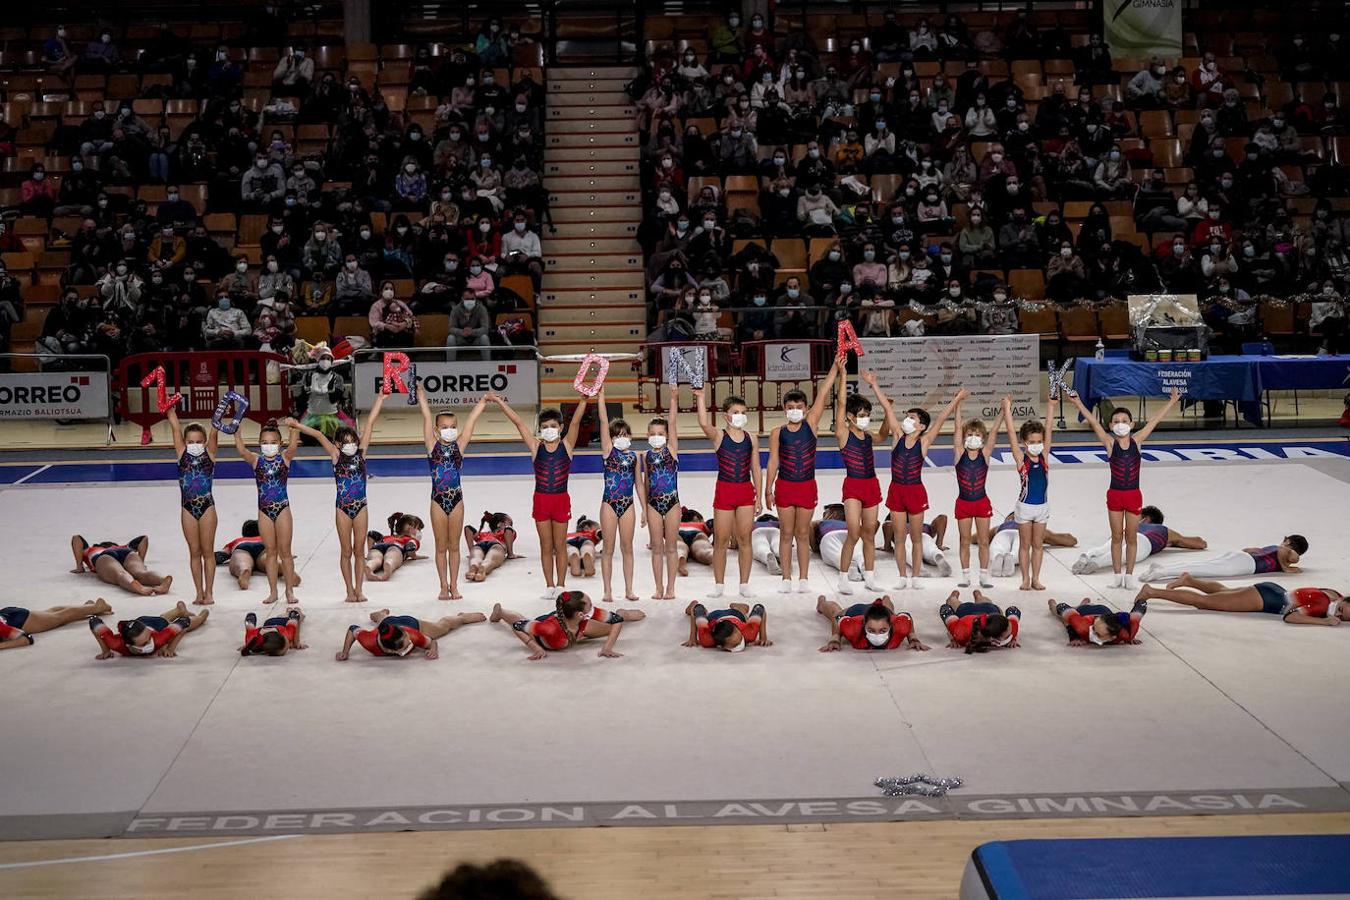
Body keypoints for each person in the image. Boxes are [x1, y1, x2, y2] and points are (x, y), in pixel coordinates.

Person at [1065, 388, 1181, 589]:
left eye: (1124, 421)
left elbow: (1154, 421)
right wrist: (1077, 403)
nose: (1120, 425)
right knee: (1117, 536)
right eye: (1116, 421)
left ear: (1132, 424)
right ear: (1110, 425)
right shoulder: (1110, 444)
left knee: (1131, 537)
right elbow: (1093, 422)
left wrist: (1171, 402)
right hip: (1115, 496)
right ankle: (1117, 575)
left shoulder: (1137, 441)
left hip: (1133, 496)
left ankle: (1129, 576)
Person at [283, 394, 385, 603]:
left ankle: (359, 589)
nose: (351, 445)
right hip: (342, 508)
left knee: (359, 551)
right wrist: (296, 425)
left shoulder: (361, 455)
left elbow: (371, 423)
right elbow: (319, 435)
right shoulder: (336, 456)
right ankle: (349, 590)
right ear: (338, 444)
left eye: (353, 441)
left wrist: (380, 398)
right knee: (346, 551)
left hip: (361, 507)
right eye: (346, 442)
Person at [871, 376, 964, 590]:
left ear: (921, 426)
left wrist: (956, 399)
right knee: (900, 537)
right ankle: (903, 577)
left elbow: (941, 418)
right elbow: (887, 407)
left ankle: (916, 577)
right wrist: (875, 384)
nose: (907, 420)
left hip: (915, 491)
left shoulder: (924, 441)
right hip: (896, 491)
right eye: (907, 416)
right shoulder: (897, 436)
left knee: (916, 537)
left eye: (912, 418)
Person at [491, 394, 588, 598]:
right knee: (546, 546)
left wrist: (583, 400)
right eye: (544, 427)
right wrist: (500, 402)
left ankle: (561, 585)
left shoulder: (567, 446)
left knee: (560, 545)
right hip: (541, 501)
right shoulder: (536, 447)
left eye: (553, 426)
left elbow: (577, 421)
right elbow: (518, 423)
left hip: (560, 500)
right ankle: (549, 585)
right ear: (540, 429)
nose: (548, 430)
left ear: (560, 427)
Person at [765, 358, 841, 593]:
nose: (794, 411)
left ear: (806, 409)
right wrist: (768, 489)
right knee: (786, 533)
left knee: (802, 533)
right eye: (790, 407)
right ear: (784, 409)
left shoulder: (811, 424)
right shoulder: (777, 432)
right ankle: (786, 579)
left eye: (799, 407)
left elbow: (824, 391)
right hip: (785, 487)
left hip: (807, 486)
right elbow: (773, 461)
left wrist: (835, 367)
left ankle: (804, 579)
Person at [696, 385, 763, 598]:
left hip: (745, 491)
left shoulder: (751, 438)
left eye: (743, 413)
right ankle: (719, 585)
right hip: (724, 491)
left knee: (745, 540)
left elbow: (756, 469)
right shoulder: (719, 436)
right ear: (726, 416)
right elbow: (703, 423)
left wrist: (759, 496)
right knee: (721, 541)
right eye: (736, 413)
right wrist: (700, 398)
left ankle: (744, 584)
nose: (740, 416)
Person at [233, 419, 300, 604]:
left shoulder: (284, 458)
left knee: (285, 552)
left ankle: (289, 591)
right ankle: (272, 592)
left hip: (282, 509)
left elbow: (294, 445)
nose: (268, 446)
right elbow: (241, 451)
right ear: (259, 444)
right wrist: (236, 432)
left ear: (280, 444)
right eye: (264, 443)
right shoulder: (256, 460)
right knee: (270, 552)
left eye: (273, 443)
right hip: (264, 511)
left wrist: (293, 428)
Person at [831, 367, 883, 595]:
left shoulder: (869, 436)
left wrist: (887, 409)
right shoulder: (844, 434)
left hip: (872, 484)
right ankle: (843, 578)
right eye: (862, 415)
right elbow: (841, 404)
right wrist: (843, 375)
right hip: (853, 485)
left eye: (867, 415)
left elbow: (883, 436)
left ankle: (870, 576)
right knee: (854, 532)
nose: (865, 419)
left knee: (869, 532)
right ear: (850, 417)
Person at [1000, 396, 1057, 590]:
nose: (1037, 444)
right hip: (1024, 508)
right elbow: (1009, 432)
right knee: (1025, 545)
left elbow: (1048, 428)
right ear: (1025, 442)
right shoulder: (1020, 458)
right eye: (1032, 441)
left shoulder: (1044, 455)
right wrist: (1007, 409)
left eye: (1039, 441)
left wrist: (1050, 406)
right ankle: (1025, 579)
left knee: (1038, 545)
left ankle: (1036, 578)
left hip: (1042, 507)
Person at [165, 404, 219, 606]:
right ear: (185, 442)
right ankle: (198, 592)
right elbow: (175, 427)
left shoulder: (210, 454)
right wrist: (170, 411)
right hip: (187, 509)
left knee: (208, 551)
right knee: (194, 552)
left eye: (198, 441)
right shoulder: (182, 454)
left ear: (204, 442)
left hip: (207, 508)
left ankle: (210, 592)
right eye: (190, 441)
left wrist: (218, 416)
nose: (194, 444)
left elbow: (215, 429)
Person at [947, 391, 1001, 588]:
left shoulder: (985, 454)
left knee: (984, 541)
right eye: (969, 435)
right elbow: (956, 427)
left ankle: (984, 575)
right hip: (963, 504)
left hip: (981, 502)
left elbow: (994, 432)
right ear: (963, 437)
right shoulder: (959, 452)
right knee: (964, 540)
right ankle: (966, 575)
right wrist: (958, 403)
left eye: (977, 435)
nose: (973, 438)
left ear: (983, 439)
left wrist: (1003, 411)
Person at [492, 592, 640, 661]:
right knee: (524, 619)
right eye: (589, 605)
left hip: (571, 625)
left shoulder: (584, 616)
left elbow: (617, 621)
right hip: (546, 633)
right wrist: (535, 647)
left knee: (610, 627)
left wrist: (607, 648)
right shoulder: (548, 629)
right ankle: (501, 612)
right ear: (580, 614)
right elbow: (518, 626)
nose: (593, 607)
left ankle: (624, 612)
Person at [1136, 578, 1347, 625]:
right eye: (1341, 612)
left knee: (1225, 593)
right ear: (1344, 601)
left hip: (1272, 589)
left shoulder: (1332, 594)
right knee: (1204, 602)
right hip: (1265, 600)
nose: (1338, 615)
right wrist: (1324, 621)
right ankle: (1152, 592)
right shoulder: (1320, 605)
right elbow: (1290, 617)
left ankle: (1189, 579)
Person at [1071, 504, 1208, 575]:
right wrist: (1173, 541)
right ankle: (1098, 564)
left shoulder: (1130, 526)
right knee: (1123, 556)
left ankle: (1086, 557)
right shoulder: (1164, 531)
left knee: (1103, 549)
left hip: (1123, 535)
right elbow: (1200, 543)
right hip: (1144, 542)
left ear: (1145, 519)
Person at [595, 386, 638, 602]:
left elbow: (639, 484)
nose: (622, 438)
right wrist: (601, 397)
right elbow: (604, 423)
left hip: (628, 504)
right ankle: (608, 590)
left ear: (630, 436)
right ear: (611, 439)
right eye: (618, 435)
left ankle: (629, 589)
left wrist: (646, 511)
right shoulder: (608, 452)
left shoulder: (634, 457)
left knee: (628, 547)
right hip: (609, 503)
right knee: (608, 548)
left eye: (626, 435)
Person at [637, 388, 681, 599]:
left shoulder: (671, 449)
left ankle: (671, 587)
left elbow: (672, 423)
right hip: (653, 504)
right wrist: (645, 509)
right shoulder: (645, 456)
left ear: (667, 436)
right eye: (653, 434)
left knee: (671, 548)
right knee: (657, 548)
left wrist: (673, 399)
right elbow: (645, 484)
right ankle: (658, 587)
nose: (657, 437)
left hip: (672, 503)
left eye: (660, 434)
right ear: (647, 435)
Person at [1139, 535, 1309, 582]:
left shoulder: (1271, 548)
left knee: (1203, 564)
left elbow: (1250, 549)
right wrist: (1286, 568)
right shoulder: (1288, 551)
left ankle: (1162, 568)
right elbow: (1286, 553)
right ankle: (1161, 573)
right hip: (1248, 564)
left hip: (1243, 556)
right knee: (1203, 569)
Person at [337, 608, 486, 660]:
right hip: (387, 624)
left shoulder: (413, 635)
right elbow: (353, 629)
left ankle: (461, 617)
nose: (410, 643)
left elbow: (431, 641)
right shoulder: (369, 642)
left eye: (408, 640)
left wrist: (433, 649)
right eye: (406, 646)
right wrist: (345, 652)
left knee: (442, 627)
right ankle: (381, 614)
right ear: (390, 651)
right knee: (381, 621)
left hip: (411, 624)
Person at [89, 602, 210, 659]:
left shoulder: (158, 638)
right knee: (162, 618)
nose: (150, 643)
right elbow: (94, 621)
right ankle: (178, 610)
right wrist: (105, 650)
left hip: (154, 625)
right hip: (141, 623)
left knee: (165, 622)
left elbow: (184, 622)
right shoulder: (115, 643)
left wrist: (169, 648)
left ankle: (203, 614)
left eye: (149, 638)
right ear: (128, 645)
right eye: (144, 643)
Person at [817, 595, 929, 652]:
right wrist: (835, 638)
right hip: (857, 611)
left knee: (888, 609)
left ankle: (885, 598)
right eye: (871, 630)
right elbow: (837, 617)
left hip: (886, 613)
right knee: (835, 611)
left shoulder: (899, 625)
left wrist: (913, 638)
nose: (877, 635)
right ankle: (821, 602)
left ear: (891, 626)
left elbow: (907, 617)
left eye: (883, 630)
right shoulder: (853, 627)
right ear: (864, 625)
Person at [70, 535, 172, 596]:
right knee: (140, 572)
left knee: (120, 574)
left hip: (103, 556)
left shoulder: (91, 550)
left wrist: (79, 566)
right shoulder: (124, 546)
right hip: (127, 552)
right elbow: (143, 539)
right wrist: (141, 561)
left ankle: (137, 587)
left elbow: (76, 538)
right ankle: (162, 580)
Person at [0, 599, 113, 652]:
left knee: (59, 618)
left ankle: (98, 607)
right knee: (50, 614)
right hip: (8, 615)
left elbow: (26, 638)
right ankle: (86, 608)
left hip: (21, 621)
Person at [987, 513, 1078, 578]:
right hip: (1020, 536)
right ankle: (1010, 559)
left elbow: (980, 538)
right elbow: (1070, 540)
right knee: (1018, 550)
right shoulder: (1033, 529)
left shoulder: (999, 527)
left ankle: (998, 558)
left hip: (1003, 533)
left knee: (998, 548)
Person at [940, 590, 1021, 652]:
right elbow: (945, 609)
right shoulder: (963, 631)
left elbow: (1012, 609)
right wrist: (954, 637)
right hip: (966, 612)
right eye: (1009, 634)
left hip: (989, 609)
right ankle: (954, 596)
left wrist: (1013, 638)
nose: (1012, 632)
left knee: (982, 600)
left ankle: (978, 595)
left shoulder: (1009, 627)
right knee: (951, 601)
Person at [1048, 596, 1148, 646]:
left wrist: (1131, 636)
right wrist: (1074, 637)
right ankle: (1053, 604)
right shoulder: (1083, 627)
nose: (1091, 632)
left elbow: (1142, 603)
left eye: (1098, 634)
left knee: (1075, 613)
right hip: (1085, 613)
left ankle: (1083, 603)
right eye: (1093, 627)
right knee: (1062, 616)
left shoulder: (1126, 634)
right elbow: (1062, 607)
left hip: (1104, 611)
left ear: (1112, 637)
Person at [215, 519, 281, 591]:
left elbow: (222, 554)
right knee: (269, 559)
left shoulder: (238, 540)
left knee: (242, 560)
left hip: (242, 546)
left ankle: (243, 569)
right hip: (263, 546)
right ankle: (281, 566)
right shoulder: (265, 539)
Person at [880, 515, 956, 577]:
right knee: (931, 549)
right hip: (922, 532)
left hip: (904, 536)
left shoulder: (895, 524)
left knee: (908, 551)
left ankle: (919, 567)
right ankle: (937, 555)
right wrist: (939, 544)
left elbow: (888, 525)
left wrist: (887, 546)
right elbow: (942, 518)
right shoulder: (920, 520)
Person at [683, 600, 771, 652]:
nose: (742, 641)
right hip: (715, 616)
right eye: (736, 643)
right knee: (693, 610)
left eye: (740, 638)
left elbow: (759, 608)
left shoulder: (747, 632)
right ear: (722, 646)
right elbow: (697, 608)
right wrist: (692, 638)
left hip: (735, 615)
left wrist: (763, 637)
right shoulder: (707, 640)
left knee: (743, 610)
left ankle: (737, 607)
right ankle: (692, 603)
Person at [365, 512, 424, 582]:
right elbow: (410, 547)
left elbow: (371, 534)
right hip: (396, 547)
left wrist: (370, 551)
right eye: (418, 529)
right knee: (391, 557)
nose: (419, 531)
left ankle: (370, 565)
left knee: (375, 559)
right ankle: (388, 567)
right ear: (410, 529)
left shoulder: (388, 537)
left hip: (378, 546)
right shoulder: (411, 540)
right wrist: (414, 556)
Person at [464, 511, 518, 582]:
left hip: (480, 543)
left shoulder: (483, 534)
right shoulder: (505, 531)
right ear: (500, 524)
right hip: (497, 544)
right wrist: (510, 554)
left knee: (475, 557)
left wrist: (471, 551)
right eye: (509, 523)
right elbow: (508, 530)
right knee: (491, 559)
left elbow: (468, 528)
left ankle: (473, 566)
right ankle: (484, 568)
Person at [239, 608, 306, 656]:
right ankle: (287, 611)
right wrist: (249, 645)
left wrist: (297, 641)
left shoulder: (286, 633)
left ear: (283, 636)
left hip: (280, 623)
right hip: (269, 623)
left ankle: (290, 610)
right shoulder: (254, 638)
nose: (287, 649)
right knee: (291, 642)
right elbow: (250, 620)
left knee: (299, 614)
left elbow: (295, 616)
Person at [676, 507, 714, 574]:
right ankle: (711, 556)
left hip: (678, 532)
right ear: (697, 519)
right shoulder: (702, 524)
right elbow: (715, 525)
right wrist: (715, 542)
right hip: (698, 533)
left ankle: (680, 558)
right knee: (703, 549)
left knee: (679, 546)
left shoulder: (677, 525)